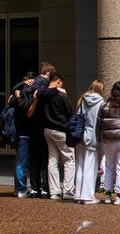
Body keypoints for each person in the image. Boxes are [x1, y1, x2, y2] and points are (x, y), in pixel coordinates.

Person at [36, 72, 75, 200]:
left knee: (52, 160)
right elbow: (70, 112)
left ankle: (54, 191)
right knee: (69, 159)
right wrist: (64, 94)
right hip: (60, 130)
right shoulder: (61, 95)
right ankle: (68, 190)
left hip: (47, 129)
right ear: (58, 82)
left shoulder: (43, 94)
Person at [98, 81, 120, 205]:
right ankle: (119, 196)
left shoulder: (104, 105)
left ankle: (107, 195)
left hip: (108, 140)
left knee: (109, 167)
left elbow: (100, 123)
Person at [25, 61, 55, 198]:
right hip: (42, 124)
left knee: (34, 158)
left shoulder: (29, 84)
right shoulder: (44, 85)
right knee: (44, 157)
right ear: (48, 73)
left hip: (31, 125)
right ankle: (44, 187)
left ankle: (35, 187)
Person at [74, 79, 105, 204]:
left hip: (80, 135)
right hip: (92, 137)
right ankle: (87, 195)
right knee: (90, 166)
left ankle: (78, 194)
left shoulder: (83, 100)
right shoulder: (101, 102)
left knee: (80, 166)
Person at [10, 72, 36, 198]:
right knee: (22, 163)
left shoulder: (18, 95)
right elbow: (20, 105)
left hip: (21, 133)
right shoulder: (20, 97)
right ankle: (21, 189)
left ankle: (18, 189)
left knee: (21, 162)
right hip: (23, 133)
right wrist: (19, 88)